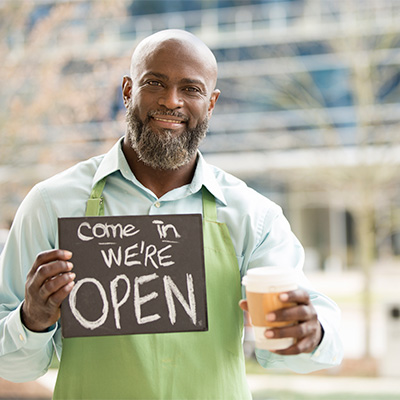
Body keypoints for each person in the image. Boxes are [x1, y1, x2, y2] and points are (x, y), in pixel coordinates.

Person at [0, 29, 343, 399]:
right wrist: (31, 320)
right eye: (155, 83)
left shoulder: (253, 216)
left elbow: (295, 350)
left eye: (191, 89)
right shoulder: (50, 204)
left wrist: (310, 332)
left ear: (211, 104)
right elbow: (14, 367)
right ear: (128, 90)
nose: (171, 101)